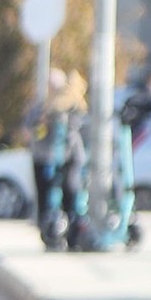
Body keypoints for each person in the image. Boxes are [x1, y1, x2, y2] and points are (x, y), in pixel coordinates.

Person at [38, 73, 91, 252]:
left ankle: (74, 230)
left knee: (72, 190)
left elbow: (76, 134)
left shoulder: (75, 106)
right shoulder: (52, 106)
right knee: (54, 191)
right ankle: (56, 230)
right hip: (57, 157)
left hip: (73, 158)